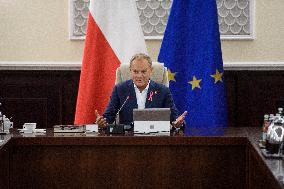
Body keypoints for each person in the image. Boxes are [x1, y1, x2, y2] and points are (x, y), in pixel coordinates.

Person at [95, 53, 187, 129]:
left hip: (155, 139)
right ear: (130, 71)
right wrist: (102, 122)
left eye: (143, 72)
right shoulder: (120, 90)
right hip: (128, 140)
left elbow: (175, 118)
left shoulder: (163, 91)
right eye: (135, 72)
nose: (139, 76)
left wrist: (178, 123)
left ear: (151, 71)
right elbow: (109, 117)